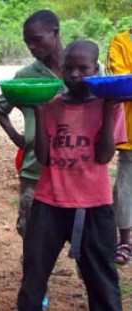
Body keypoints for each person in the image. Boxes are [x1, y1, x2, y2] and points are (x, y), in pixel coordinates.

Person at [17, 40, 126, 311]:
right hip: (49, 201)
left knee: (102, 278)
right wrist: (40, 113)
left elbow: (104, 157)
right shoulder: (52, 105)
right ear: (61, 69)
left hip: (94, 205)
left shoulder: (109, 106)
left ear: (96, 68)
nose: (75, 74)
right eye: (68, 68)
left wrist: (108, 110)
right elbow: (43, 158)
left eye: (83, 68)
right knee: (34, 274)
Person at [0, 9, 64, 243]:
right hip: (35, 170)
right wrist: (17, 137)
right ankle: (34, 276)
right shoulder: (26, 76)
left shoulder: (81, 67)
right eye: (27, 43)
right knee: (32, 232)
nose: (32, 47)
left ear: (55, 33)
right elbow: (0, 107)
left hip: (74, 169)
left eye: (36, 39)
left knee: (76, 234)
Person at [106, 26, 132, 265]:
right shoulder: (121, 42)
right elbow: (123, 84)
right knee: (126, 184)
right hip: (131, 130)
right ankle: (124, 240)